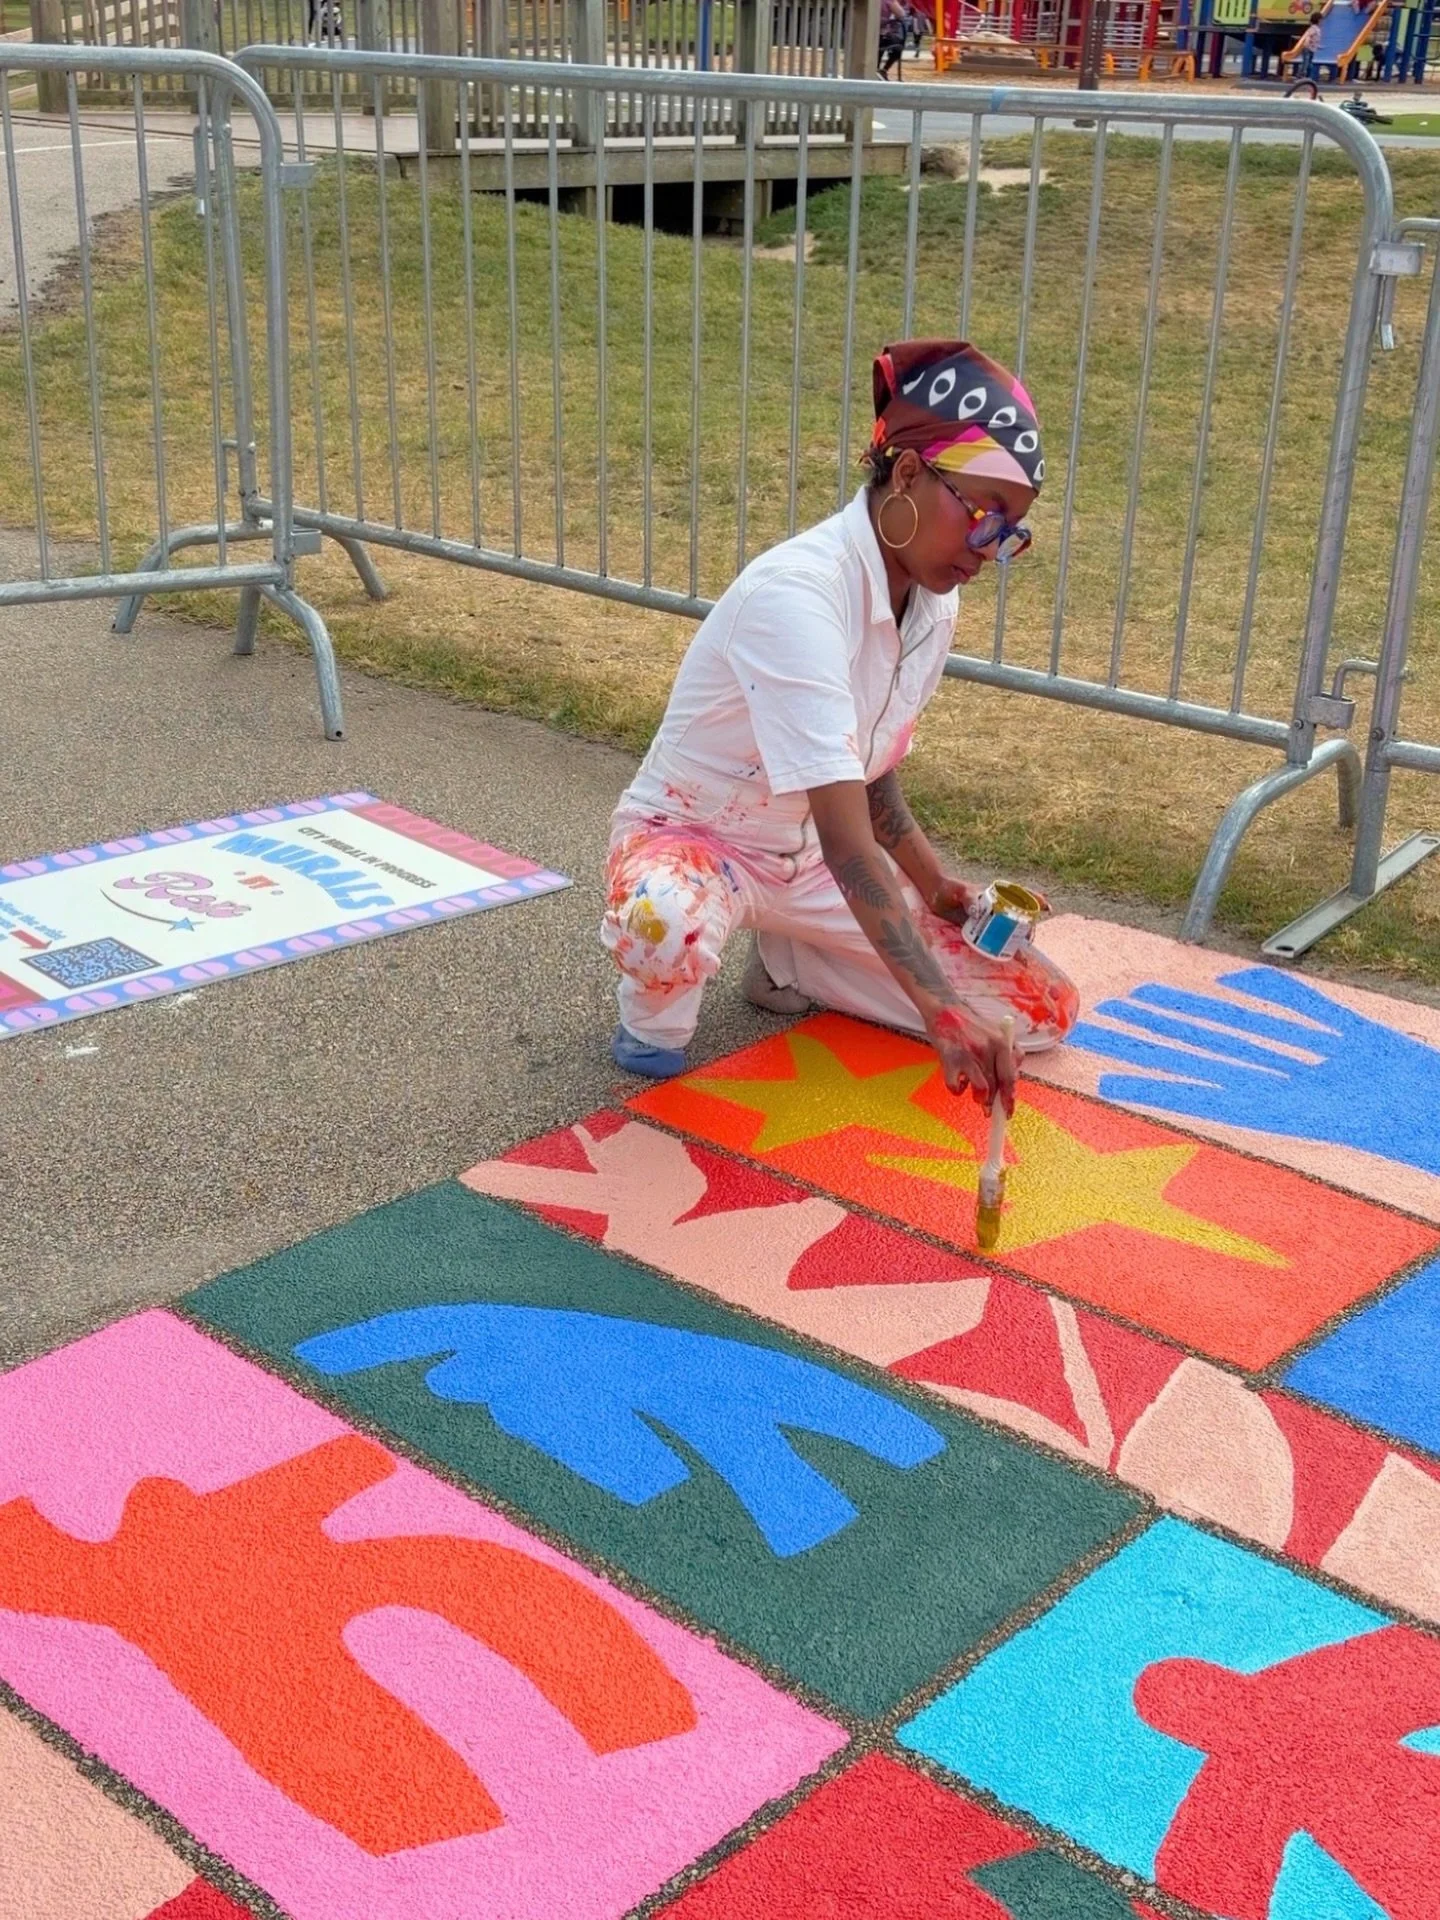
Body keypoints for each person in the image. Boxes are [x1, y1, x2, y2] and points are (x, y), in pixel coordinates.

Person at [599, 338, 1079, 1115]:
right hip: (696, 841)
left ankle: (790, 959)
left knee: (1038, 1012)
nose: (991, 551)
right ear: (911, 474)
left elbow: (868, 767)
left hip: (813, 867)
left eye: (1010, 532)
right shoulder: (798, 592)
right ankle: (654, 1015)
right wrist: (936, 1007)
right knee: (667, 928)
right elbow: (847, 833)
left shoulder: (933, 599)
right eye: (987, 519)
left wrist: (936, 887)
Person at [1289, 9, 1323, 76]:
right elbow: (1308, 35)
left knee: (1309, 63)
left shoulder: (1317, 29)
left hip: (1312, 49)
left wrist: (1318, 46)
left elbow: (1315, 40)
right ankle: (1300, 74)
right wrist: (1306, 42)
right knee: (1305, 63)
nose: (1322, 22)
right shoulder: (1313, 28)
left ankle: (1306, 75)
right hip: (1308, 48)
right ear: (1318, 21)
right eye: (1321, 20)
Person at [878, 0, 909, 76]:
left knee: (879, 50)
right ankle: (884, 69)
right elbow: (901, 14)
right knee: (898, 48)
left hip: (868, 33)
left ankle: (877, 70)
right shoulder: (889, 1)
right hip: (882, 34)